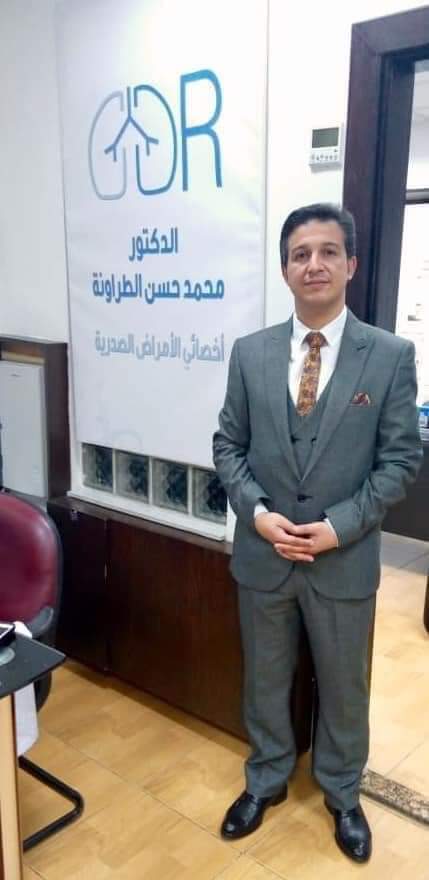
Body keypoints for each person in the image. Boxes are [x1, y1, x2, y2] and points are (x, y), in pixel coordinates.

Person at [212, 203, 422, 863]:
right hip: (264, 554)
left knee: (344, 687)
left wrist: (339, 527)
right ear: (285, 270)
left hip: (342, 560)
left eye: (328, 251)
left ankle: (341, 792)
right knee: (264, 677)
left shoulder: (389, 356)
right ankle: (265, 777)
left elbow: (399, 461)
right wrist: (255, 512)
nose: (314, 264)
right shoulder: (251, 354)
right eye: (300, 254)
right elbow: (227, 446)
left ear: (350, 264)